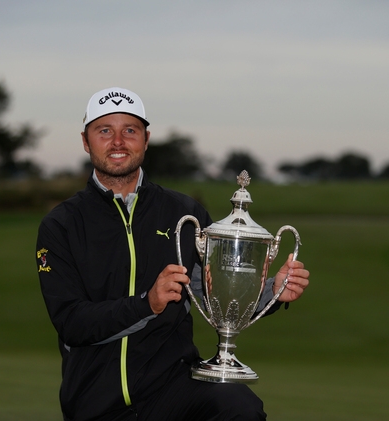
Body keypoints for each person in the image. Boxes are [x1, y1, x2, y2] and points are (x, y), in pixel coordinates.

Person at [36, 87, 310, 421]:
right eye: (105, 130)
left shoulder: (184, 213)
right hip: (96, 399)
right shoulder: (61, 224)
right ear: (85, 140)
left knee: (239, 407)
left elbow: (213, 294)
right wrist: (147, 303)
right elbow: (72, 323)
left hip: (172, 387)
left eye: (130, 130)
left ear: (146, 139)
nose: (118, 141)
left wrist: (271, 291)